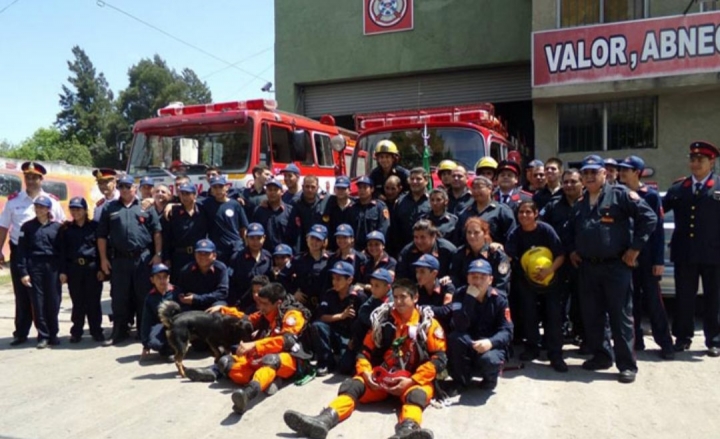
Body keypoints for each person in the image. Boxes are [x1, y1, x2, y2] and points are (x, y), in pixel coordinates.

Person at [283, 279, 446, 439]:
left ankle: (407, 431)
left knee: (417, 395)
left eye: (403, 297)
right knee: (353, 385)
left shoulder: (428, 324)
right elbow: (364, 352)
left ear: (415, 298)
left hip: (411, 381)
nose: (398, 301)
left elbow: (439, 359)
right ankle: (323, 421)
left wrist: (412, 380)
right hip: (381, 379)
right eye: (395, 297)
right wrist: (367, 374)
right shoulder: (382, 321)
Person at [567, 155, 657, 383]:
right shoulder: (580, 202)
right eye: (585, 173)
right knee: (593, 316)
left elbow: (649, 217)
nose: (589, 177)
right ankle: (602, 356)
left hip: (616, 267)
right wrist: (574, 251)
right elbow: (574, 231)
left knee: (620, 317)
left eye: (593, 173)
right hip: (588, 268)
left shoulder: (620, 195)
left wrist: (635, 249)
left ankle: (627, 365)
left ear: (604, 174)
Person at [184, 283, 313, 415]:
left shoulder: (293, 315)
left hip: (290, 358)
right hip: (266, 353)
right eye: (260, 302)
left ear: (278, 303)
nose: (260, 306)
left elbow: (287, 341)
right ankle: (267, 380)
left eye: (264, 303)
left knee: (270, 360)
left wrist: (254, 345)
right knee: (227, 362)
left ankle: (248, 394)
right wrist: (224, 309)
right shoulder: (267, 311)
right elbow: (247, 319)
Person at [663, 141, 720, 357]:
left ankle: (714, 340)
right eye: (693, 159)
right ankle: (682, 337)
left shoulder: (718, 187)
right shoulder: (679, 188)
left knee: (713, 298)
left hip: (714, 253)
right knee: (684, 297)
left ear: (711, 161)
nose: (695, 164)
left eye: (701, 160)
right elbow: (656, 211)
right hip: (684, 253)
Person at [0, 161, 65, 346]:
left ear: (41, 179)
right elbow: (3, 227)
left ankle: (46, 333)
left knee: (49, 297)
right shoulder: (13, 201)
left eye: (34, 177)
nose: (30, 180)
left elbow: (61, 227)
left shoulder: (51, 201)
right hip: (20, 253)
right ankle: (21, 332)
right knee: (22, 296)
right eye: (27, 177)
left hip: (47, 256)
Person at [618, 156, 674, 359]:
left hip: (648, 256)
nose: (622, 172)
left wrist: (659, 260)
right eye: (621, 169)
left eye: (627, 169)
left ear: (637, 172)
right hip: (626, 256)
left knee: (654, 301)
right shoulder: (619, 194)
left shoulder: (650, 195)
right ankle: (636, 340)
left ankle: (665, 343)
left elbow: (657, 229)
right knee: (630, 302)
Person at [97, 174, 163, 345]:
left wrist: (158, 254)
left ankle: (143, 331)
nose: (125, 190)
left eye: (128, 186)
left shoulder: (146, 207)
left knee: (142, 296)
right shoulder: (109, 208)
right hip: (119, 260)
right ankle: (119, 331)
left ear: (135, 188)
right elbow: (102, 236)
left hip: (142, 258)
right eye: (121, 187)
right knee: (119, 297)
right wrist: (103, 259)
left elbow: (157, 232)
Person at [505, 201, 567, 372]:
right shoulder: (515, 233)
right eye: (521, 212)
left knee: (553, 316)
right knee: (529, 315)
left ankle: (555, 354)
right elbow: (508, 256)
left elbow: (561, 254)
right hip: (526, 282)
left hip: (551, 281)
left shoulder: (546, 230)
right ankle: (532, 348)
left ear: (536, 213)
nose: (524, 216)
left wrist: (549, 270)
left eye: (528, 212)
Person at [447, 259, 513, 392]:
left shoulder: (499, 298)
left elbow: (507, 331)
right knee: (455, 338)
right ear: (467, 278)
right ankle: (462, 380)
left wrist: (490, 342)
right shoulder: (459, 294)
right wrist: (470, 299)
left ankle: (490, 378)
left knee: (489, 360)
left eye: (483, 277)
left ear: (490, 280)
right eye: (474, 277)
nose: (477, 281)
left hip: (490, 344)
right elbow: (459, 325)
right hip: (469, 340)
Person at [17, 195, 63, 349]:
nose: (39, 210)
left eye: (42, 207)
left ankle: (54, 334)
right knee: (38, 302)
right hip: (35, 266)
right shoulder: (27, 227)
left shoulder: (57, 227)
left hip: (53, 267)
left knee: (54, 301)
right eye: (37, 207)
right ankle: (43, 335)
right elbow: (21, 251)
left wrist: (63, 271)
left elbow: (63, 251)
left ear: (48, 209)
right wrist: (23, 272)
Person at [59, 197, 105, 343]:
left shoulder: (95, 227)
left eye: (78, 209)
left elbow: (100, 249)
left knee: (93, 301)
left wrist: (101, 268)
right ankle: (76, 331)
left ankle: (96, 330)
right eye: (72, 209)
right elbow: (62, 252)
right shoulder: (66, 229)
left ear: (85, 210)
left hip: (91, 267)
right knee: (77, 301)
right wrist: (63, 271)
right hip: (74, 268)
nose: (75, 212)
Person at [310, 261, 367, 376]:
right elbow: (322, 316)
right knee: (317, 326)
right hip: (334, 331)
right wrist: (341, 316)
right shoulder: (329, 294)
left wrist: (355, 340)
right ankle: (326, 362)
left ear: (349, 280)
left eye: (339, 279)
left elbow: (364, 323)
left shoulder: (359, 297)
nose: (334, 282)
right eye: (333, 278)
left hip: (349, 336)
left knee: (345, 367)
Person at [449, 217, 510, 293]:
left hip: (491, 298)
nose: (472, 236)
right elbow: (455, 278)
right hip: (466, 296)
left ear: (485, 234)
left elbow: (501, 284)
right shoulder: (459, 253)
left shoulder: (497, 255)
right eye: (469, 232)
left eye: (476, 232)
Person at [162, 183, 208, 282]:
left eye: (187, 193)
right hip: (179, 256)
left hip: (199, 256)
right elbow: (167, 237)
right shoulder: (173, 212)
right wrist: (166, 258)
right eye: (182, 194)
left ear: (194, 195)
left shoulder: (203, 211)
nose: (184, 197)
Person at [279, 224, 332, 311]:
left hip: (325, 304)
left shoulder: (331, 259)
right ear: (307, 238)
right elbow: (282, 276)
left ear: (324, 242)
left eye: (318, 239)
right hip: (302, 304)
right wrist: (293, 292)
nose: (314, 242)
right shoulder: (298, 259)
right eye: (312, 238)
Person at [456, 176, 516, 246]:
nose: (476, 191)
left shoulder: (502, 210)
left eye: (479, 187)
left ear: (489, 189)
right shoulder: (465, 212)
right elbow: (458, 238)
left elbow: (511, 236)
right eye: (473, 188)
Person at [201, 176, 248, 265]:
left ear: (226, 187)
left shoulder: (235, 204)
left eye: (221, 186)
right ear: (211, 189)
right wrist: (172, 204)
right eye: (215, 187)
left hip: (235, 247)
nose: (218, 190)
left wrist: (245, 245)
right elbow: (190, 202)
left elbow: (243, 228)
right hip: (218, 249)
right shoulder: (206, 204)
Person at [175, 239, 229, 311]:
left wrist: (197, 298)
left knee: (220, 311)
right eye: (199, 253)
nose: (202, 256)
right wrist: (183, 297)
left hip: (214, 303)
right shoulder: (186, 270)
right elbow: (181, 291)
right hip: (193, 305)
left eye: (206, 253)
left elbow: (222, 293)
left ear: (214, 255)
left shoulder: (221, 269)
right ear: (195, 254)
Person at [388, 168, 431, 255]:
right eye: (412, 179)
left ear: (426, 181)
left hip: (427, 251)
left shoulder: (432, 200)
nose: (415, 182)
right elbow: (394, 229)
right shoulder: (400, 201)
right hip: (404, 252)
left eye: (418, 179)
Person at [229, 223, 272, 309]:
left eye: (259, 238)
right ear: (246, 238)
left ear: (264, 238)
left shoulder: (268, 257)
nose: (255, 242)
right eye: (252, 238)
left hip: (264, 305)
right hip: (242, 305)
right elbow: (231, 284)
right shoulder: (237, 258)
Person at [140, 264, 178, 359]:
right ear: (152, 280)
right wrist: (145, 344)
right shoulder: (150, 297)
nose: (162, 281)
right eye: (158, 278)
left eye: (165, 277)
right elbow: (146, 321)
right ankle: (166, 349)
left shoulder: (176, 292)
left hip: (177, 325)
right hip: (160, 324)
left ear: (169, 278)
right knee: (154, 343)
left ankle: (176, 350)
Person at [250, 177, 296, 252]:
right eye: (270, 190)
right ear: (266, 192)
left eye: (275, 190)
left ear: (282, 192)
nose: (272, 192)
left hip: (284, 256)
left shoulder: (290, 211)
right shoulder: (259, 211)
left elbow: (296, 237)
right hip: (265, 256)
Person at [413, 254, 455, 329]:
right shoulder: (415, 289)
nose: (418, 275)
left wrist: (425, 308)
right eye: (417, 271)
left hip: (443, 328)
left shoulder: (446, 288)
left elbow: (447, 311)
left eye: (422, 272)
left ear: (434, 273)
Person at [349, 176, 390, 251]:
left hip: (374, 249)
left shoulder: (380, 207)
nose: (362, 190)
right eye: (360, 188)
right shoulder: (352, 207)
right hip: (354, 249)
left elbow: (383, 229)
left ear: (372, 189)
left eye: (365, 187)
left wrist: (371, 247)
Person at [319, 176, 355, 252]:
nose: (340, 191)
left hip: (350, 247)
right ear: (334, 189)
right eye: (338, 188)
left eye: (343, 188)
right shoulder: (328, 204)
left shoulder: (355, 206)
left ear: (349, 190)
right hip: (331, 248)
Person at [291, 174, 324, 253]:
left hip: (320, 247)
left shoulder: (324, 202)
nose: (310, 190)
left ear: (317, 188)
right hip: (301, 248)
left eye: (313, 187)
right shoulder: (294, 203)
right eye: (307, 186)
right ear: (302, 187)